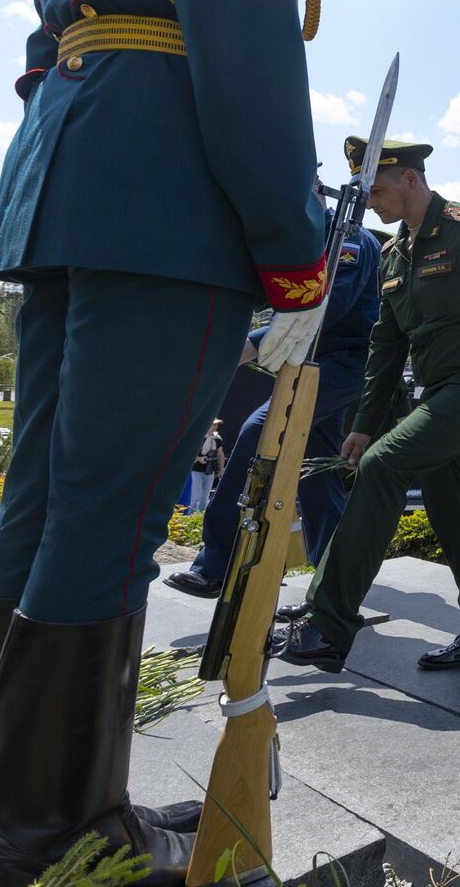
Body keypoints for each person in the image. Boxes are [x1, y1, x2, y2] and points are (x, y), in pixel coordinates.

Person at [0, 0, 329, 879]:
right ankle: (61, 835)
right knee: (110, 517)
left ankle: (15, 797)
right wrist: (294, 248)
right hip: (167, 211)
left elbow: (57, 39)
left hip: (70, 190)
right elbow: (248, 49)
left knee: (45, 503)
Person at [279, 141, 460, 673]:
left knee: (384, 465)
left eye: (378, 189)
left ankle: (328, 623)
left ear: (410, 179)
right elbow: (386, 345)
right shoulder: (395, 253)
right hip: (440, 393)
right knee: (449, 508)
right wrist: (362, 424)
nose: (372, 201)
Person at [167, 159, 384, 600]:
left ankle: (216, 564)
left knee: (256, 432)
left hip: (341, 364)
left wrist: (247, 346)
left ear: (315, 195)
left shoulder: (349, 242)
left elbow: (325, 312)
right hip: (306, 363)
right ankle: (335, 585)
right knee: (316, 476)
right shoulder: (296, 243)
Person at [188, 420, 224, 513]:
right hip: (196, 471)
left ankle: (199, 519)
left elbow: (220, 454)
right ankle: (189, 518)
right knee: (195, 498)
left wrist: (221, 469)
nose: (216, 427)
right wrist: (199, 459)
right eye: (214, 424)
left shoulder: (217, 439)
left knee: (205, 497)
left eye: (217, 425)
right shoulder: (198, 436)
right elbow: (189, 453)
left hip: (210, 471)